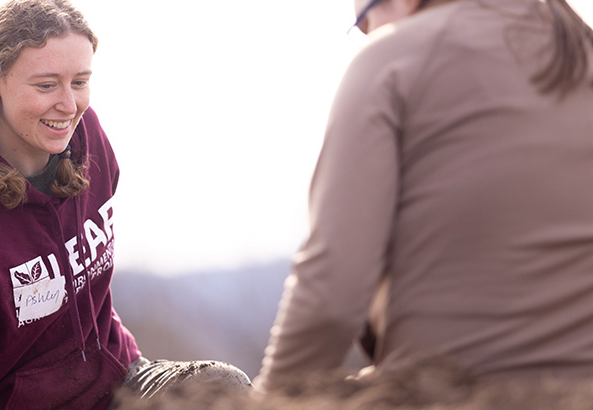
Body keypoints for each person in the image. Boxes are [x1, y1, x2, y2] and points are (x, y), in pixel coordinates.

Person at [0, 1, 250, 408]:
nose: (69, 106)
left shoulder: (87, 137)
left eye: (80, 82)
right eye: (46, 85)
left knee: (222, 387)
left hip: (121, 380)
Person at [254, 0, 593, 393]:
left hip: (450, 395)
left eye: (364, 22)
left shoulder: (390, 59)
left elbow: (330, 296)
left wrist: (268, 399)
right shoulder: (580, 47)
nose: (368, 35)